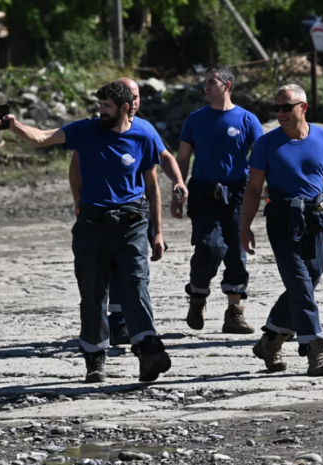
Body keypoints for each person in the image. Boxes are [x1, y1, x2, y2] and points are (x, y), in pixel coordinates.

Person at [0, 81, 172, 383]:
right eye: (99, 105)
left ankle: (149, 351)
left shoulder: (144, 133)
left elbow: (152, 185)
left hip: (132, 223)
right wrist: (13, 124)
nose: (101, 111)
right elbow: (42, 138)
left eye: (107, 106)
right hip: (92, 225)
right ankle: (95, 358)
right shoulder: (86, 129)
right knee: (92, 293)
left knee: (135, 286)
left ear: (125, 108)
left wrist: (158, 232)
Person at [241, 84, 323, 377]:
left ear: (303, 108)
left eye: (286, 107)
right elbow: (253, 189)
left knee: (309, 280)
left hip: (317, 218)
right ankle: (315, 347)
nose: (280, 113)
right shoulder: (266, 144)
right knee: (300, 282)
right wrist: (245, 228)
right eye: (276, 108)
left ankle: (271, 340)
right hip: (282, 221)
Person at [69, 78, 189, 346]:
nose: (134, 102)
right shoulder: (95, 129)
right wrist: (78, 200)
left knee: (133, 273)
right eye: (130, 97)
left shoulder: (144, 130)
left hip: (135, 214)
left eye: (137, 97)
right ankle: (114, 326)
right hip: (98, 215)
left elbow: (163, 161)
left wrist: (178, 181)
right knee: (104, 276)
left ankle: (131, 330)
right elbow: (75, 166)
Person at [175, 65, 263, 334]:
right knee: (209, 247)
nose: (206, 87)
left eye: (212, 82)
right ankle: (198, 297)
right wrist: (176, 192)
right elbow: (182, 159)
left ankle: (235, 313)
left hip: (237, 193)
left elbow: (260, 158)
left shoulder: (247, 119)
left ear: (227, 86)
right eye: (205, 83)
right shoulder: (195, 120)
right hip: (203, 192)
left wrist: (265, 189)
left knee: (237, 253)